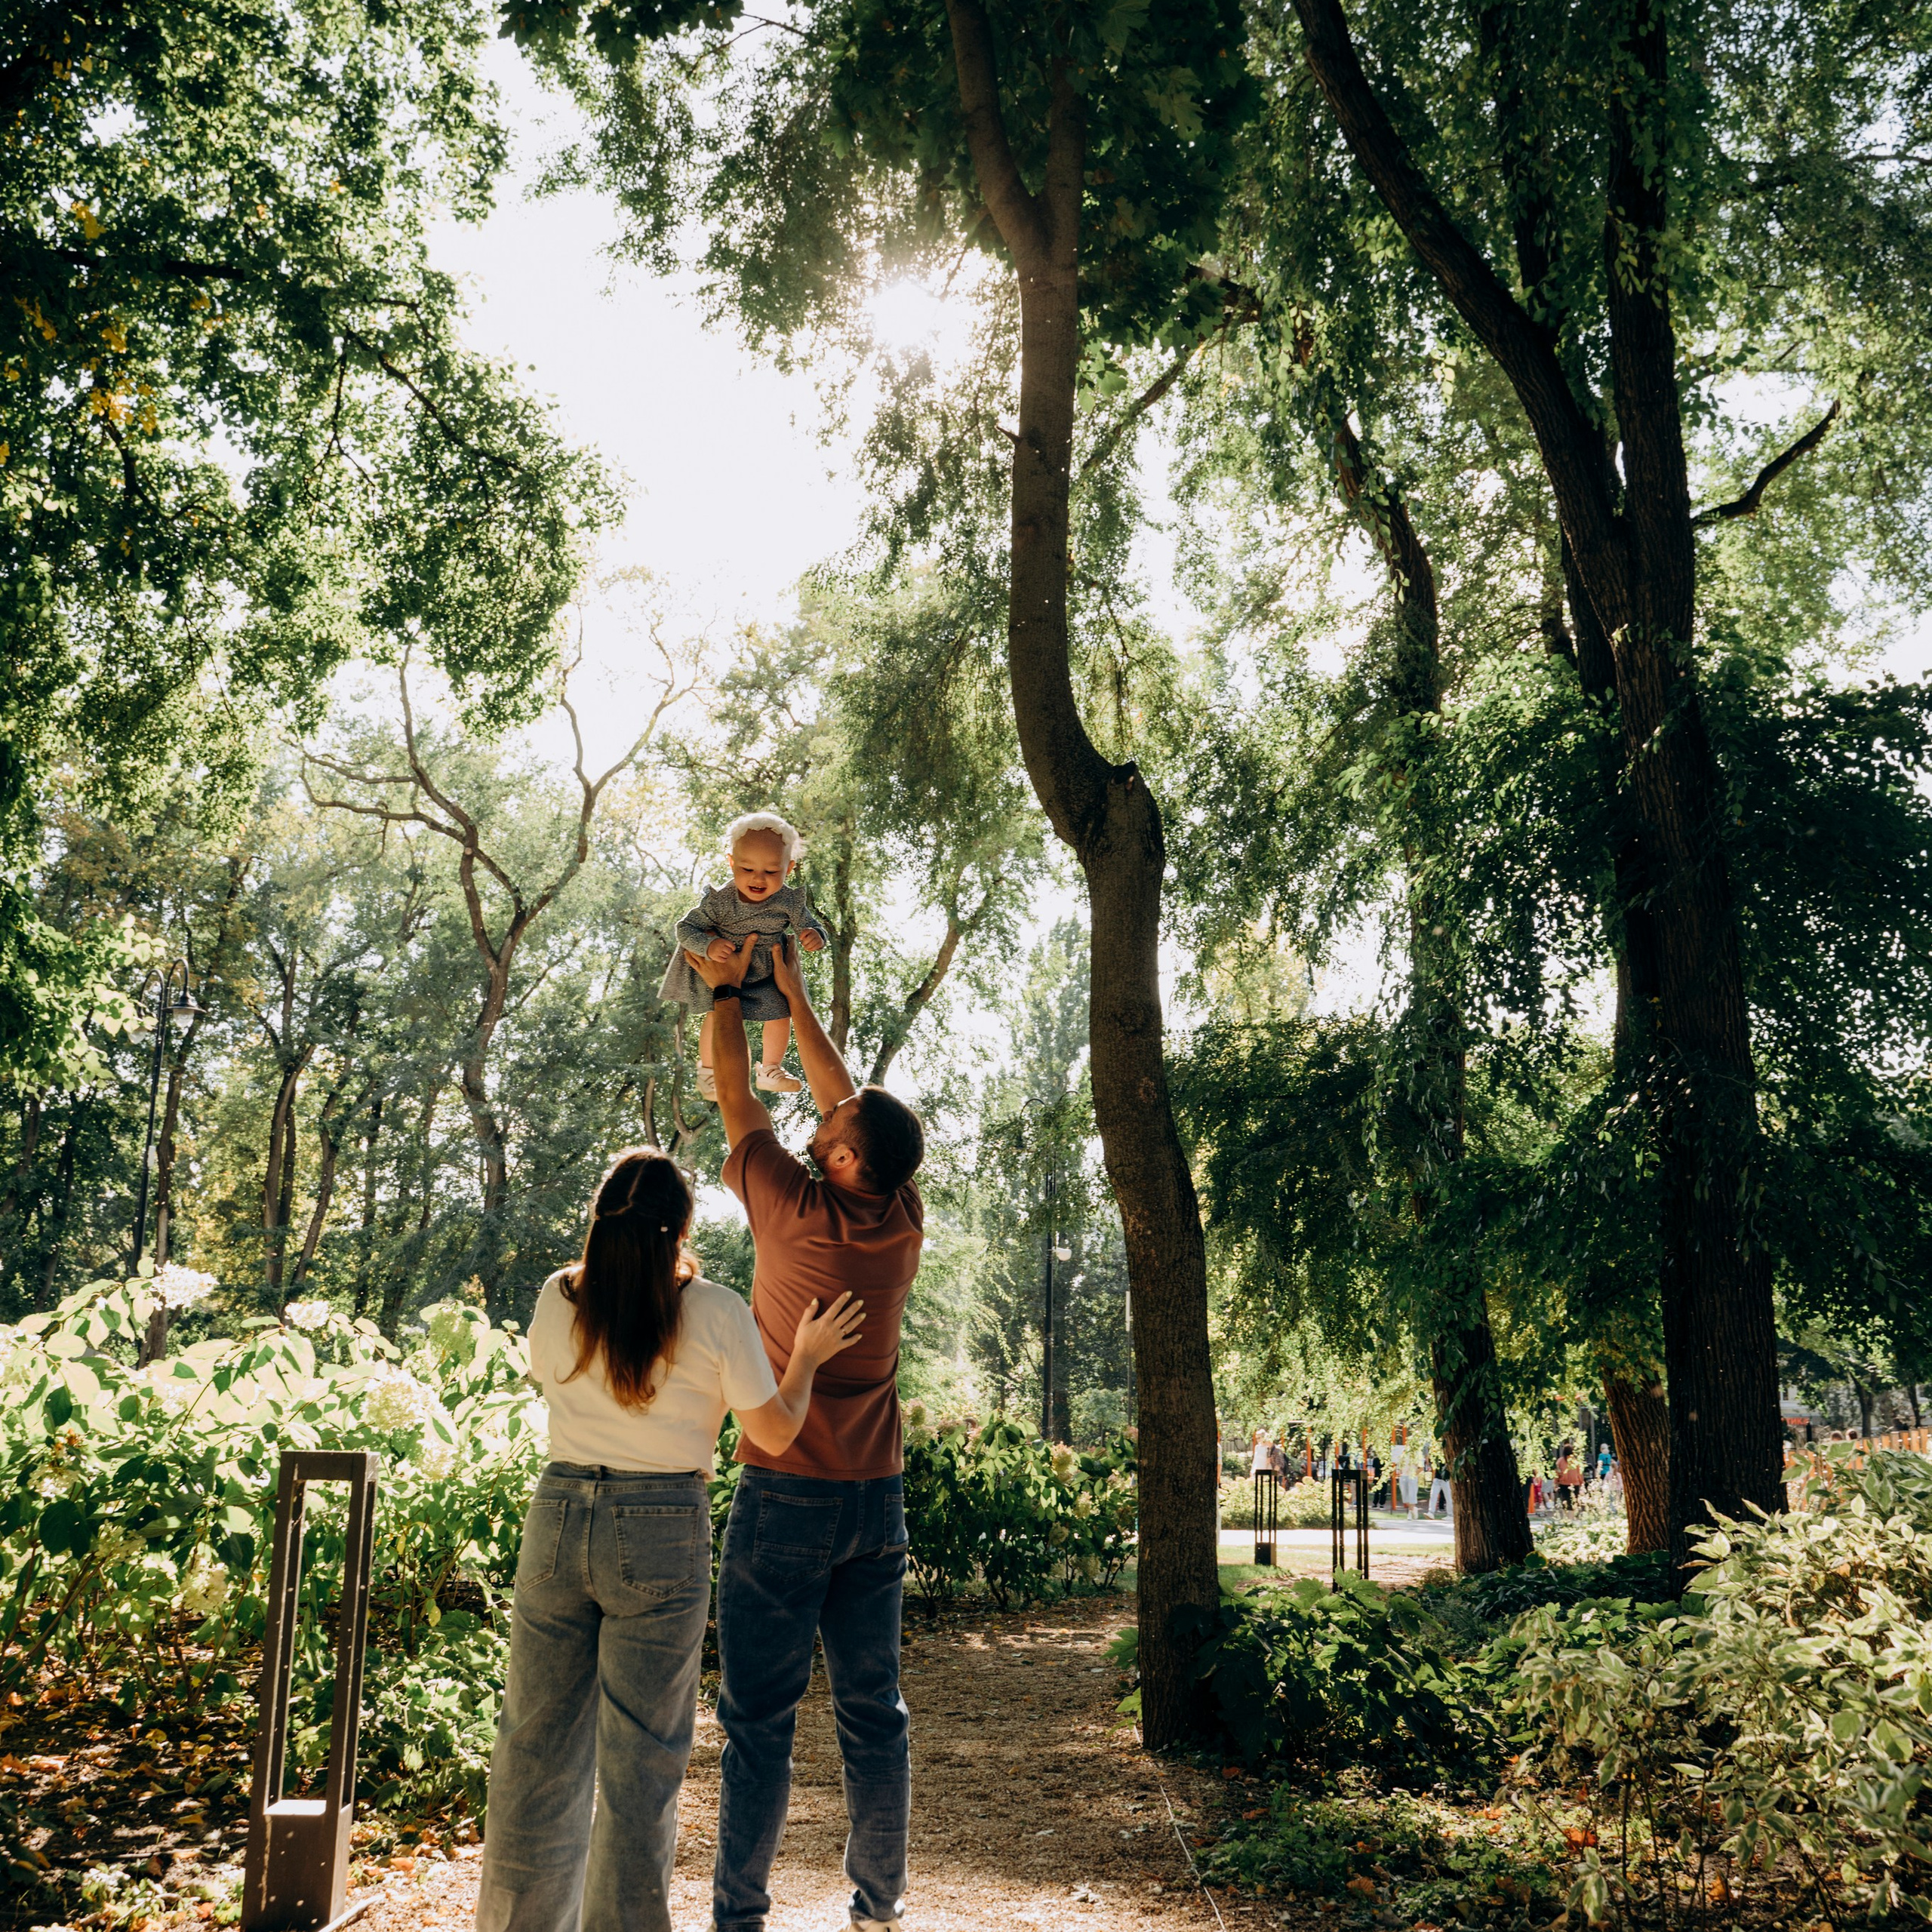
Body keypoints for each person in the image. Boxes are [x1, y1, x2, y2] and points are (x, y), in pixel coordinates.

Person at [474, 1149, 866, 1932]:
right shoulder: (715, 1310)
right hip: (660, 1524)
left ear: (598, 1218)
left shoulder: (559, 1296)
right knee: (641, 1763)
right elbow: (775, 1432)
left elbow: (551, 1379)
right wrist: (808, 1360)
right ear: (683, 1226)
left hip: (558, 1512)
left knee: (532, 1747)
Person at [685, 930, 926, 1932]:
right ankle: (879, 1906)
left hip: (785, 1493)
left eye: (830, 1137)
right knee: (875, 1717)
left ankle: (739, 1919)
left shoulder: (789, 1209)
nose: (817, 1131)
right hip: (875, 1499)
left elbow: (741, 1099)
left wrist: (728, 993)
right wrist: (799, 991)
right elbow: (845, 1105)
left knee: (758, 1727)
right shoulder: (899, 1217)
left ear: (841, 1160)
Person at [657, 811, 830, 1100]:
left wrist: (816, 935)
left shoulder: (789, 900)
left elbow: (810, 924)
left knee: (781, 1013)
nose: (758, 878)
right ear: (731, 863)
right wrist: (708, 946)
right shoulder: (720, 900)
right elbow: (686, 929)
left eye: (771, 871)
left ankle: (771, 1070)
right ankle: (710, 1073)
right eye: (747, 869)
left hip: (767, 970)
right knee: (718, 1013)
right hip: (725, 965)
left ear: (789, 869)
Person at [1555, 1442, 1584, 1511]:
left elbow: (1557, 1473)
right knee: (1574, 1501)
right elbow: (1579, 1473)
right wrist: (1581, 1482)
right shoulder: (1576, 1461)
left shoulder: (1560, 1461)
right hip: (1575, 1484)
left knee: (1566, 1502)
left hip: (1564, 1484)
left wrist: (1556, 1482)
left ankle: (1568, 1518)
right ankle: (1573, 1517)